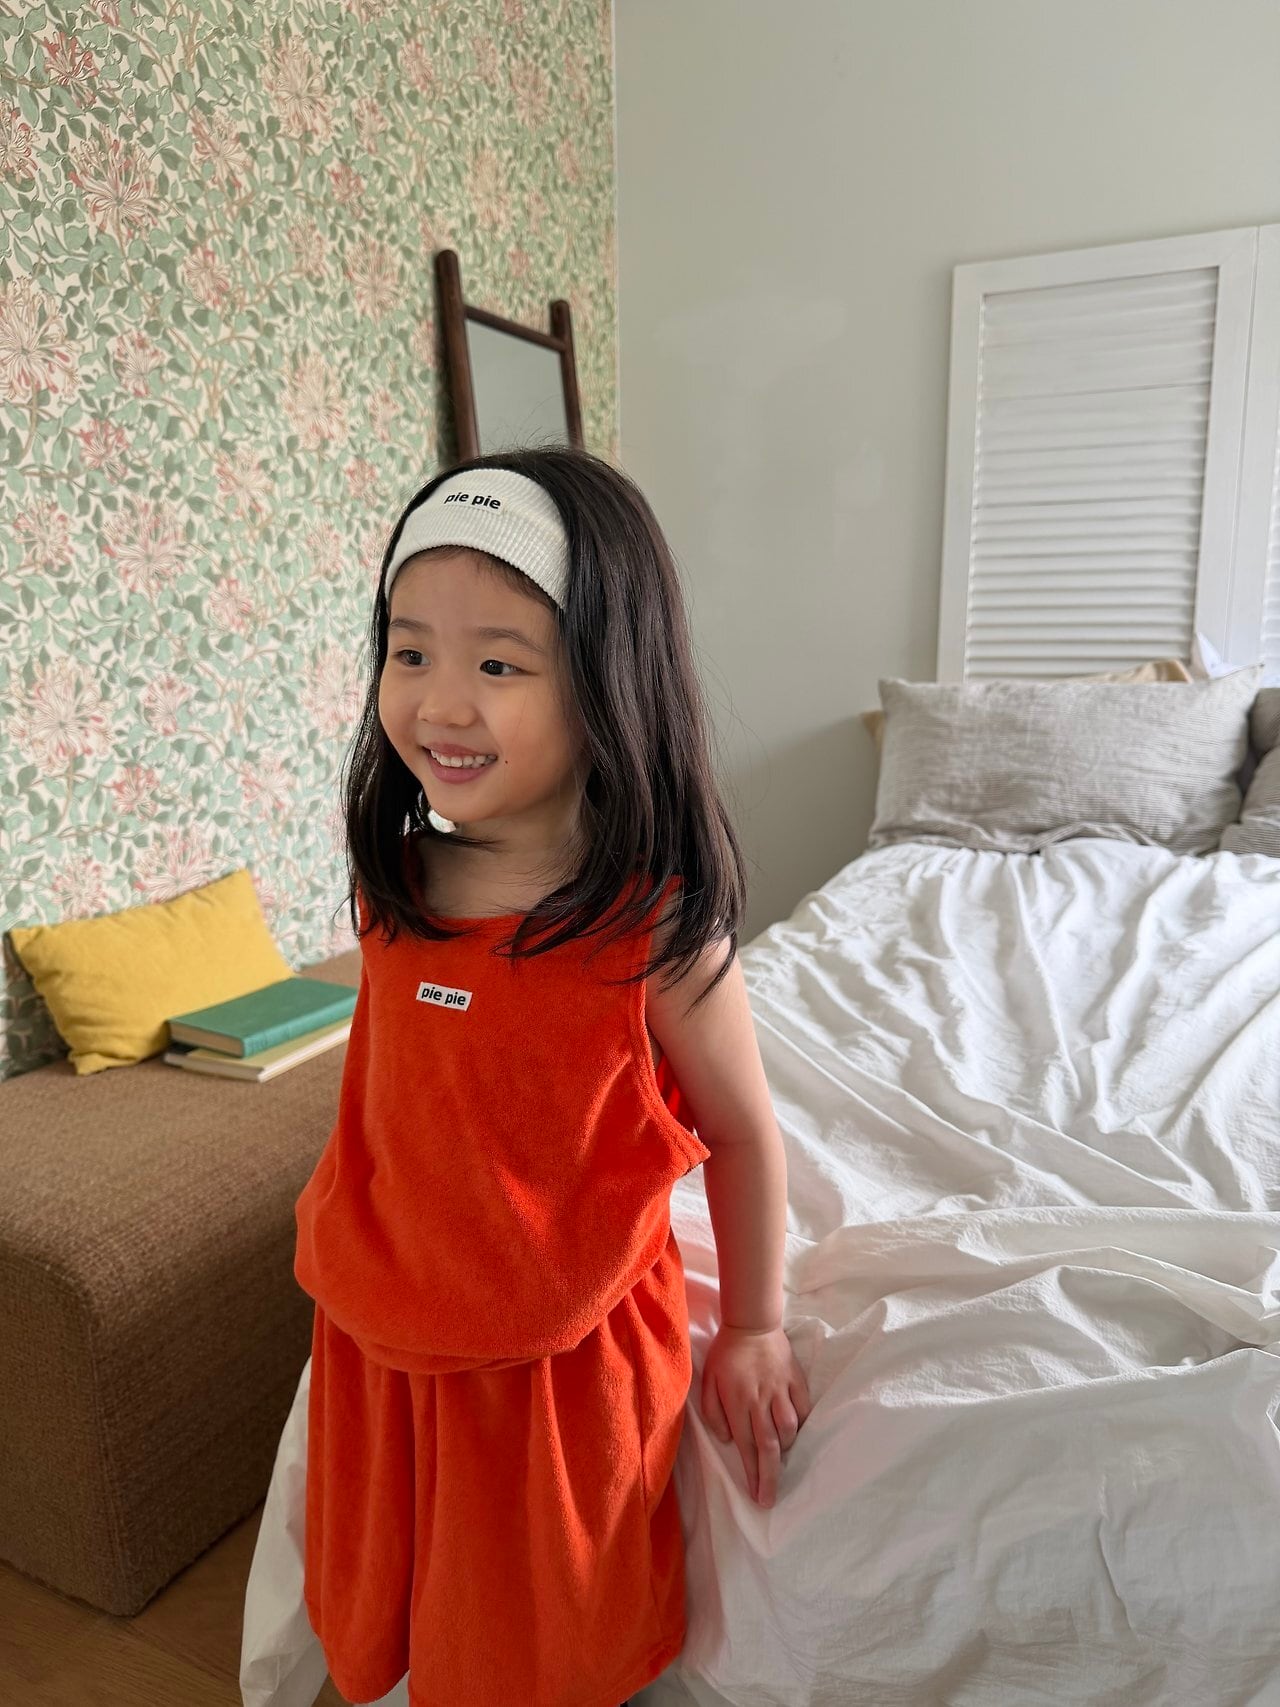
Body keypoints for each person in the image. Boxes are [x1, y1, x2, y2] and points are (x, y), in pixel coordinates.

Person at [293, 446, 813, 1707]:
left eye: (498, 666)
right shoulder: (395, 882)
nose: (440, 704)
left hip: (553, 1369)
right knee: (400, 1599)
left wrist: (754, 1327)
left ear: (604, 680)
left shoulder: (652, 931)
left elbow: (744, 1134)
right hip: (378, 1330)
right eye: (408, 653)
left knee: (542, 1638)